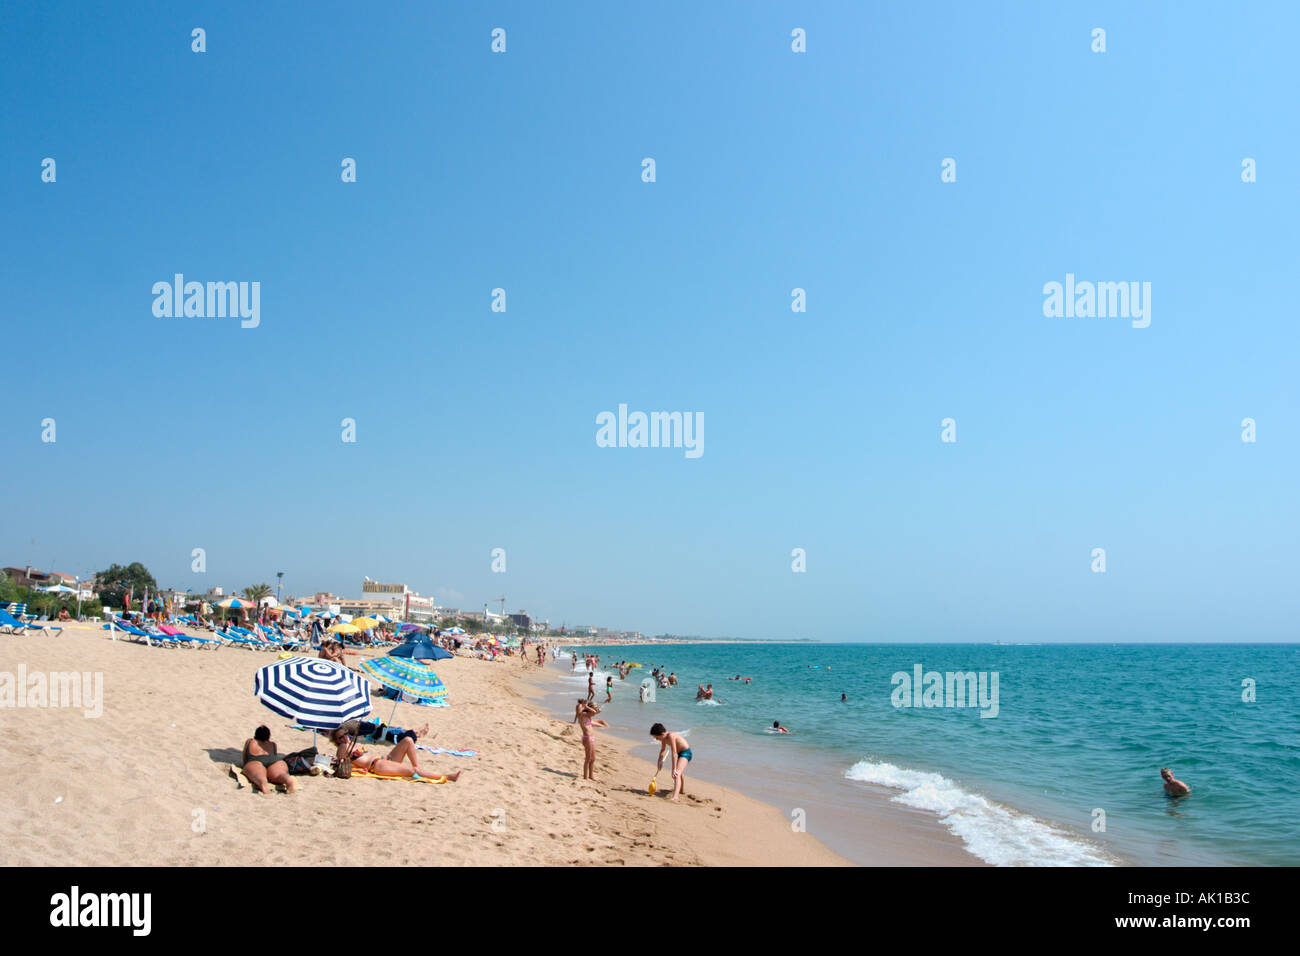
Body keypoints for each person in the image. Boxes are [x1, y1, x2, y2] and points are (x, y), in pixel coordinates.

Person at [329, 724, 459, 782]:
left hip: (384, 760)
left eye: (345, 734)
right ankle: (447, 776)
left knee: (408, 740)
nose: (345, 738)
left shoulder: (352, 744)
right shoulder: (343, 747)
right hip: (378, 766)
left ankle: (417, 767)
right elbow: (341, 759)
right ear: (337, 741)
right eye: (340, 737)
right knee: (413, 771)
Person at [240, 725, 296, 794]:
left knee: (259, 775)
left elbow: (244, 758)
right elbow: (274, 755)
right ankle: (289, 781)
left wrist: (246, 767)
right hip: (275, 761)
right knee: (280, 774)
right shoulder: (273, 744)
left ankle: (263, 784)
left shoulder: (250, 741)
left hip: (256, 760)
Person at [650, 723, 691, 803]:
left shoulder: (671, 736)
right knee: (680, 773)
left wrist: (673, 769)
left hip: (686, 753)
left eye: (656, 737)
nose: (656, 739)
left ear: (662, 734)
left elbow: (674, 753)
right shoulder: (663, 739)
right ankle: (681, 791)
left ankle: (675, 797)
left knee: (676, 773)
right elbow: (662, 750)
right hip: (680, 753)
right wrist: (659, 761)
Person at [574, 700, 610, 780]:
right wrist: (586, 706)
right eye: (594, 709)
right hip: (587, 738)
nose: (594, 712)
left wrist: (597, 711)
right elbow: (593, 712)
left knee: (593, 758)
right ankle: (585, 777)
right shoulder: (582, 715)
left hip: (591, 738)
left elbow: (594, 712)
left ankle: (591, 776)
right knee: (588, 758)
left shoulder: (588, 716)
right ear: (589, 709)